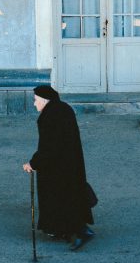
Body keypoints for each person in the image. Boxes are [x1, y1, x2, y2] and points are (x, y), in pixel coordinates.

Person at [23, 85, 95, 251]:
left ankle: (75, 234)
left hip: (57, 168)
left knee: (59, 199)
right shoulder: (63, 108)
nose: (34, 104)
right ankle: (80, 229)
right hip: (71, 163)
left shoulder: (49, 117)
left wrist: (33, 163)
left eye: (35, 100)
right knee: (71, 196)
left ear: (44, 100)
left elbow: (48, 147)